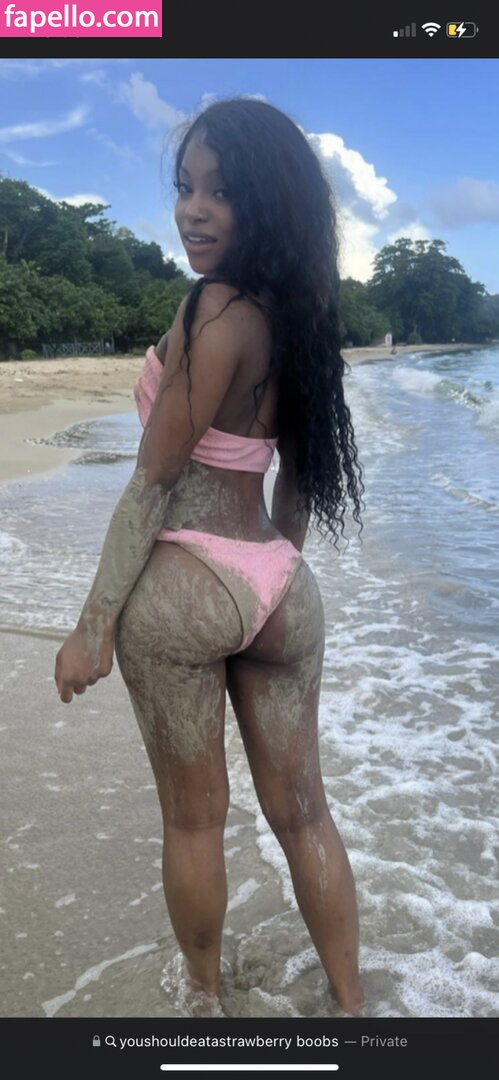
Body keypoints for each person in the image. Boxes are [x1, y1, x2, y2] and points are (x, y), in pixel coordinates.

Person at [54, 97, 365, 1017]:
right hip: (278, 585)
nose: (194, 208)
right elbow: (296, 485)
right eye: (185, 186)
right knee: (304, 812)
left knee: (194, 820)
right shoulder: (302, 318)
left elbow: (153, 483)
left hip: (184, 582)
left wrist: (91, 628)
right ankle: (354, 1010)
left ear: (266, 202)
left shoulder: (212, 308)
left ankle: (202, 1004)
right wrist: (264, 584)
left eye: (221, 191)